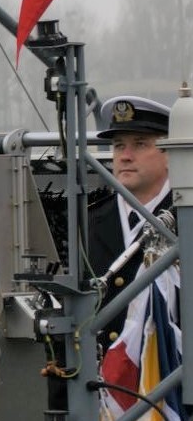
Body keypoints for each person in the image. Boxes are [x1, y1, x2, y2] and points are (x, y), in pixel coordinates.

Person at [88, 95, 172, 338]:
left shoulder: (184, 218)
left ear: (169, 153)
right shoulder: (90, 221)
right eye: (118, 145)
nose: (125, 156)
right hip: (104, 371)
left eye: (140, 144)